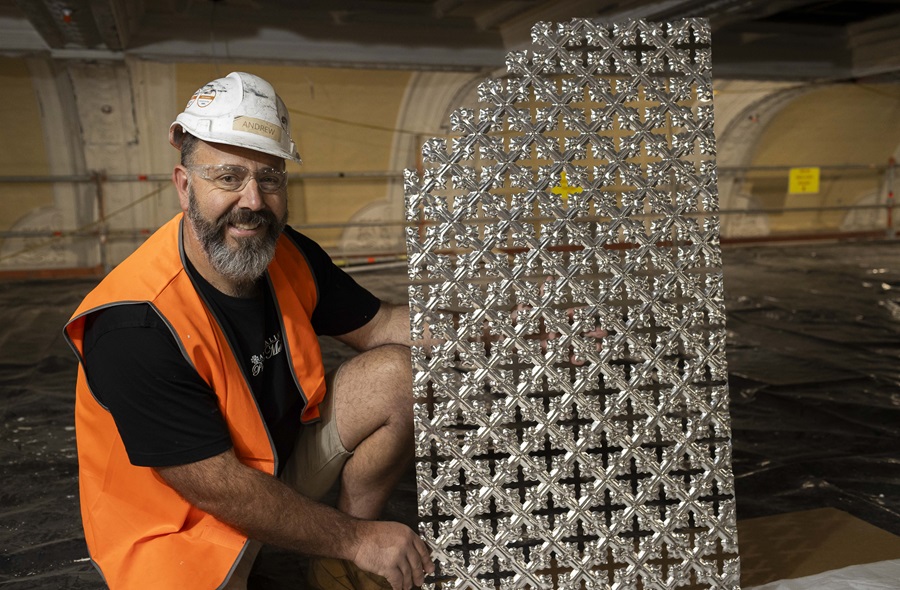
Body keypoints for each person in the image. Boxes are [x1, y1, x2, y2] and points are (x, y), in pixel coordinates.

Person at [64, 71, 436, 590]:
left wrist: (527, 329)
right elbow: (216, 487)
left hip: (269, 469)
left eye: (270, 178)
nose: (254, 202)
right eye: (228, 177)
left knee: (401, 373)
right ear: (183, 185)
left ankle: (339, 569)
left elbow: (385, 326)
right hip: (183, 527)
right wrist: (359, 537)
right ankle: (351, 547)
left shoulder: (288, 255)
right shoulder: (134, 323)